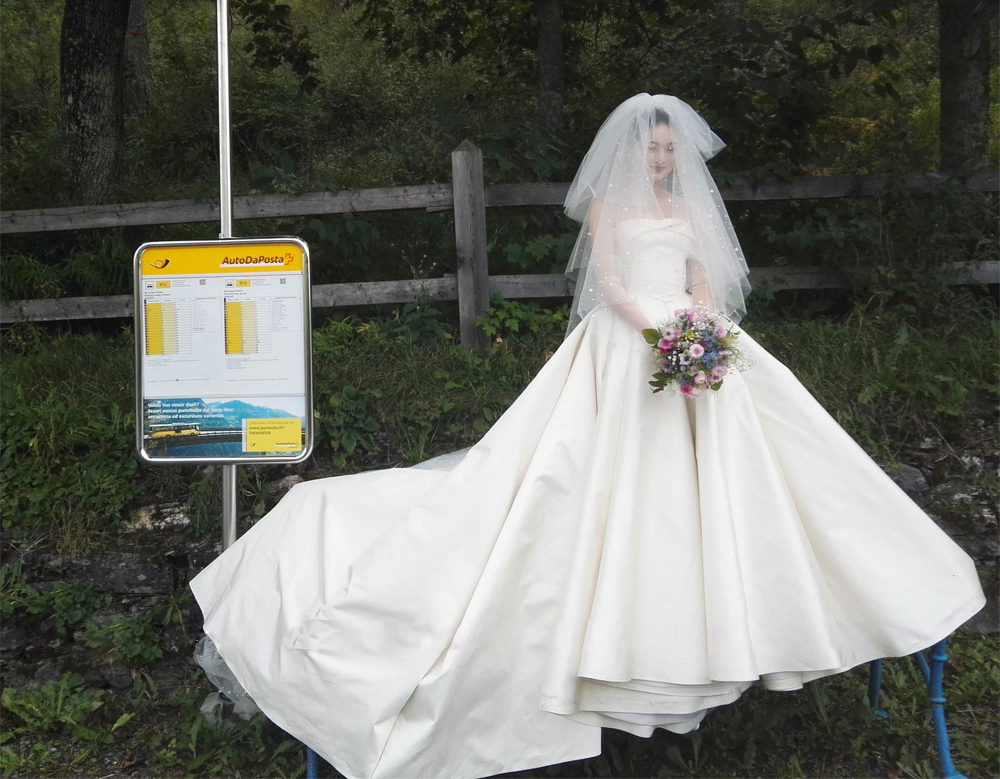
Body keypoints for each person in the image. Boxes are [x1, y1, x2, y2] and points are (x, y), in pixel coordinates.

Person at [191, 93, 984, 779]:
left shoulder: (685, 210)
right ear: (632, 150)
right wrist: (659, 338)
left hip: (695, 342)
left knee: (760, 475)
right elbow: (608, 282)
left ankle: (746, 614)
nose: (666, 159)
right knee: (589, 484)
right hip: (624, 344)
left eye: (674, 148)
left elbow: (705, 279)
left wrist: (702, 330)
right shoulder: (612, 207)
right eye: (655, 147)